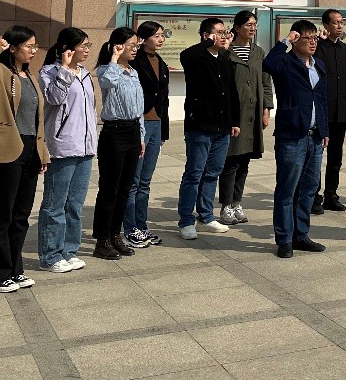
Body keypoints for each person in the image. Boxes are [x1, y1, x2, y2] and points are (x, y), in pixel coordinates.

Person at [0, 26, 49, 292]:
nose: (33, 51)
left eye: (35, 46)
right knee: (2, 213)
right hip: (7, 149)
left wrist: (42, 153)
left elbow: (37, 120)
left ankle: (15, 269)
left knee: (21, 215)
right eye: (28, 46)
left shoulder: (30, 77)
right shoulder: (0, 73)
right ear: (13, 48)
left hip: (30, 148)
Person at [263, 20, 329, 258]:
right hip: (292, 135)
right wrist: (285, 42)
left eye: (315, 38)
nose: (313, 42)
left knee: (309, 188)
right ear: (296, 39)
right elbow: (267, 64)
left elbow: (322, 100)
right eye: (308, 38)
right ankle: (284, 239)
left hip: (315, 136)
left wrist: (325, 130)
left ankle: (301, 235)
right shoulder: (285, 63)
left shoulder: (319, 65)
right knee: (287, 189)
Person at [38, 27, 100, 272]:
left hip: (85, 148)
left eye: (88, 45)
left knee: (74, 204)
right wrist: (64, 69)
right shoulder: (49, 72)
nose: (87, 50)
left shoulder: (84, 73)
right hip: (63, 146)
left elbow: (90, 109)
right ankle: (50, 255)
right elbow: (54, 99)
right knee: (55, 204)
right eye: (83, 45)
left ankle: (69, 250)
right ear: (67, 49)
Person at [176, 18, 241, 240]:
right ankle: (186, 220)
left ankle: (206, 216)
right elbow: (185, 55)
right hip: (200, 126)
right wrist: (208, 43)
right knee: (194, 173)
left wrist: (234, 121)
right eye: (219, 33)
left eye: (225, 32)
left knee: (212, 173)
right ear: (206, 35)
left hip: (222, 127)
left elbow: (231, 92)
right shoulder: (196, 58)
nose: (224, 36)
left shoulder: (224, 59)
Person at [92, 28, 146, 260]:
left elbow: (138, 108)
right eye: (131, 45)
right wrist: (114, 57)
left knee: (125, 189)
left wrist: (141, 136)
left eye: (136, 45)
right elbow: (106, 82)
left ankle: (115, 235)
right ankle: (102, 240)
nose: (135, 49)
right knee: (109, 189)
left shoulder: (133, 72)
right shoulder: (107, 69)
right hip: (114, 132)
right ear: (118, 46)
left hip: (132, 131)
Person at [220, 9, 273, 225]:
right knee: (231, 160)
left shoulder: (258, 52)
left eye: (254, 25)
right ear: (237, 27)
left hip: (253, 112)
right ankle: (225, 206)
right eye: (248, 25)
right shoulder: (227, 51)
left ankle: (237, 203)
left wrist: (266, 109)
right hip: (235, 113)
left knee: (244, 161)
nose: (252, 28)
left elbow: (266, 82)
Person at [124, 20, 169, 248]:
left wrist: (164, 130)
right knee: (133, 181)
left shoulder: (161, 62)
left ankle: (142, 226)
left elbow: (164, 99)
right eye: (156, 35)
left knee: (145, 181)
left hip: (156, 124)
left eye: (162, 35)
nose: (161, 39)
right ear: (143, 39)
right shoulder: (135, 62)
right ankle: (130, 228)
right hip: (139, 123)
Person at [314, 8, 346, 213]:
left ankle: (331, 194)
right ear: (326, 25)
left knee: (336, 157)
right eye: (335, 22)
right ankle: (314, 196)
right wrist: (319, 42)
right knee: (316, 155)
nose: (339, 26)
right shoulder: (319, 48)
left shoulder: (345, 49)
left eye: (341, 22)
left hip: (341, 110)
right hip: (322, 110)